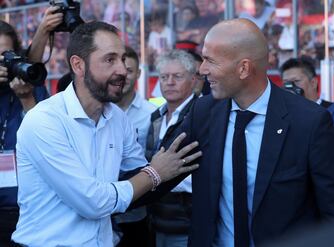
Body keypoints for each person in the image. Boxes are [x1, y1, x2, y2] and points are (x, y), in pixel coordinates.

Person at [137, 18, 334, 247]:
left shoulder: (308, 121)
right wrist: (113, 195)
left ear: (243, 68)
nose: (202, 69)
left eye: (210, 60)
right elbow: (165, 173)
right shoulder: (204, 113)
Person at [11, 21, 201, 246]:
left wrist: (174, 165)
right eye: (110, 59)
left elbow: (136, 184)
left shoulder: (117, 118)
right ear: (78, 65)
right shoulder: (44, 121)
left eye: (122, 59)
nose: (122, 70)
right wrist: (155, 172)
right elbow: (93, 202)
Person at [0, 6, 63, 246]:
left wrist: (26, 98)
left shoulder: (30, 85)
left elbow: (50, 139)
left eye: (6, 55)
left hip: (30, 210)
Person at [145, 49, 197, 247]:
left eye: (177, 76)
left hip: (188, 222)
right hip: (158, 220)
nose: (169, 82)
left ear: (193, 79)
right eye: (164, 77)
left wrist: (154, 177)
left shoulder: (201, 115)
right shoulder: (156, 116)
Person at [280, 57, 334, 175]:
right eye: (286, 83)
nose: (290, 87)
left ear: (313, 83)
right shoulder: (280, 115)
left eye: (296, 81)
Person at [113, 46, 156, 247]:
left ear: (138, 73)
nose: (123, 74)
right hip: (102, 212)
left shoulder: (152, 113)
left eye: (129, 71)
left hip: (136, 212)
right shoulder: (99, 111)